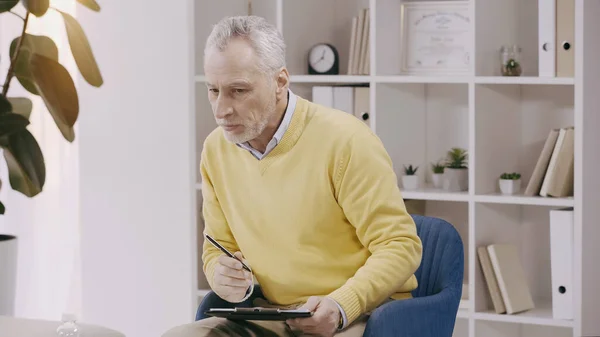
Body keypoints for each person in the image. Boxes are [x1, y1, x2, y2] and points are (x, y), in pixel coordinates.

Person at [162, 15, 422, 337]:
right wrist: (221, 276)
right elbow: (218, 247)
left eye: (238, 91)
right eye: (213, 90)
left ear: (280, 82)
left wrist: (342, 305)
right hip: (271, 314)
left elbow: (400, 245)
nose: (221, 110)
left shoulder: (346, 141)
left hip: (356, 315)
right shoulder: (217, 149)